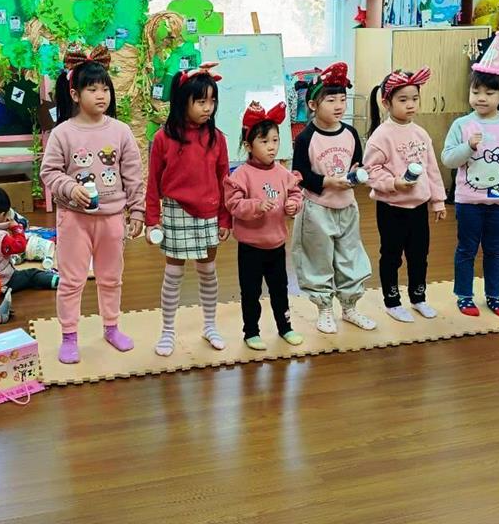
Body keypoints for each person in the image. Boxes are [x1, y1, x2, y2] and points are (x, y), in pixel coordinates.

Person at [40, 45, 145, 365]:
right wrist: (70, 188)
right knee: (71, 281)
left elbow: (133, 173)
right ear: (75, 94)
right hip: (74, 219)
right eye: (92, 89)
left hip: (112, 218)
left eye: (105, 89)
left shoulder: (120, 131)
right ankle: (69, 336)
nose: (101, 95)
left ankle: (111, 328)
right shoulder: (62, 133)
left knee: (111, 278)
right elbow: (49, 172)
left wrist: (137, 210)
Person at [442, 33, 499, 317]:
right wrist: (468, 147)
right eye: (476, 91)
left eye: (489, 93)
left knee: (494, 250)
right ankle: (464, 295)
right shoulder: (462, 125)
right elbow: (448, 159)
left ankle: (494, 295)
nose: (481, 98)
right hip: (468, 200)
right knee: (466, 249)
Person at [146, 62, 231, 355]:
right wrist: (151, 220)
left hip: (209, 211)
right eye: (201, 101)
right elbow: (153, 183)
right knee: (173, 273)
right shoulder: (162, 138)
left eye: (212, 101)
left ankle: (210, 325)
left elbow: (225, 181)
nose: (208, 108)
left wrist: (225, 218)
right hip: (175, 210)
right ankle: (167, 331)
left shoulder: (218, 138)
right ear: (183, 101)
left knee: (208, 271)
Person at [291, 62, 375, 333]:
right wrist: (328, 181)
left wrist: (357, 174)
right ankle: (324, 308)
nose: (339, 106)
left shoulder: (350, 133)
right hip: (317, 209)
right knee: (318, 259)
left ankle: (349, 307)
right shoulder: (306, 137)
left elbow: (357, 163)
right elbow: (300, 174)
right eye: (331, 100)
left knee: (350, 258)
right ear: (313, 105)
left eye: (342, 99)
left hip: (347, 207)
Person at [364, 67, 447, 323]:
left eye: (414, 98)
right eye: (403, 99)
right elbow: (370, 171)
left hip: (418, 208)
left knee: (419, 256)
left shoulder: (420, 133)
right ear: (386, 102)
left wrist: (438, 201)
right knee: (391, 256)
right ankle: (392, 301)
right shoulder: (381, 136)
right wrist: (394, 183)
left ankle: (418, 297)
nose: (410, 105)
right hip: (392, 208)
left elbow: (431, 168)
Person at [223, 101, 304, 351]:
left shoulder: (282, 172)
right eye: (264, 141)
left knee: (280, 290)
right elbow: (233, 204)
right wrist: (256, 206)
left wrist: (293, 205)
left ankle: (285, 327)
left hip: (277, 245)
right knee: (251, 292)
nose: (271, 147)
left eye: (275, 140)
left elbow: (295, 192)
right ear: (249, 146)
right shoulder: (241, 175)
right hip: (250, 247)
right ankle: (251, 331)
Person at [0, 187, 59, 294]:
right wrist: (16, 228)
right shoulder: (0, 238)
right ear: (1, 216)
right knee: (32, 274)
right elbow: (21, 246)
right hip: (1, 283)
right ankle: (58, 281)